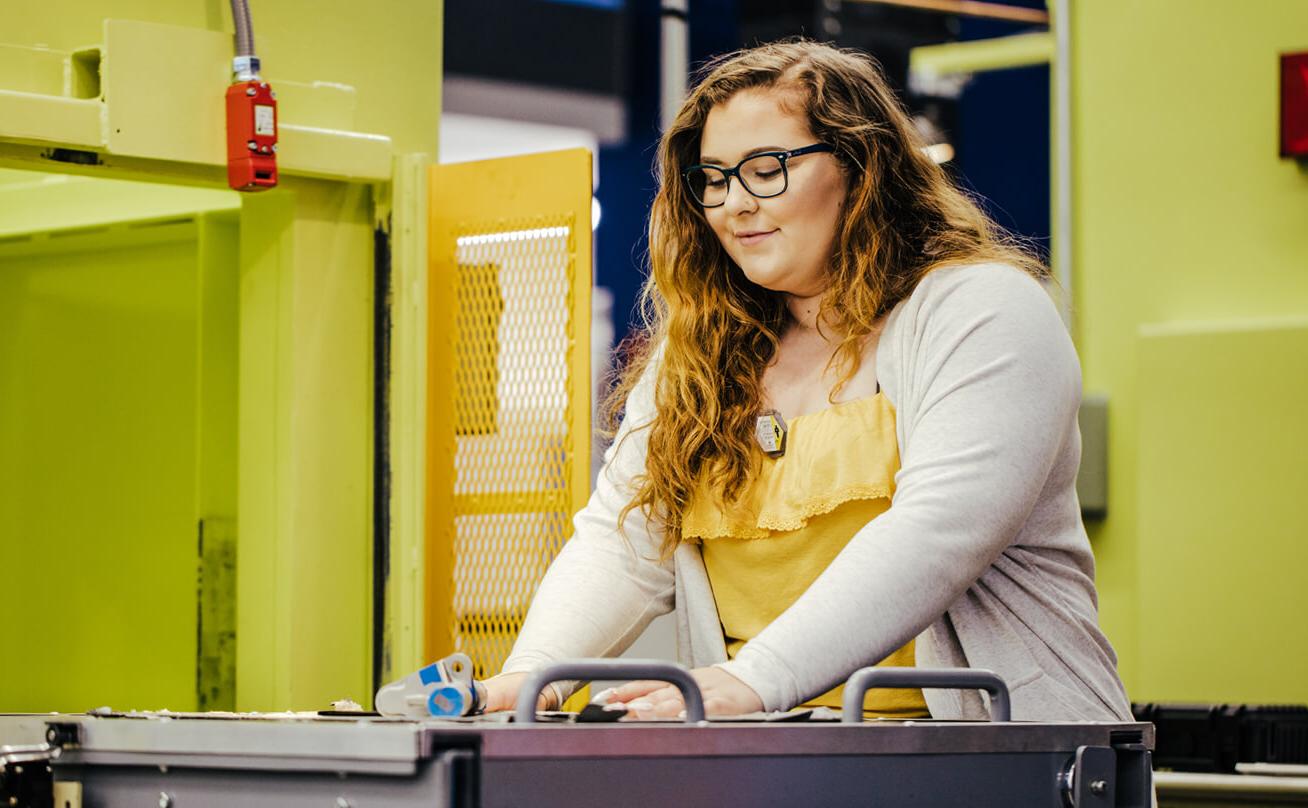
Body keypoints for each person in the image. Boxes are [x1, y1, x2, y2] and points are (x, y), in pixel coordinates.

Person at [481, 39, 1132, 722]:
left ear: (861, 166)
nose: (734, 204)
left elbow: (935, 535)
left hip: (1005, 762)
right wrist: (531, 678)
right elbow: (623, 539)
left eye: (767, 169)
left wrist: (748, 681)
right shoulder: (699, 353)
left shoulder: (982, 310)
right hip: (791, 756)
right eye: (714, 178)